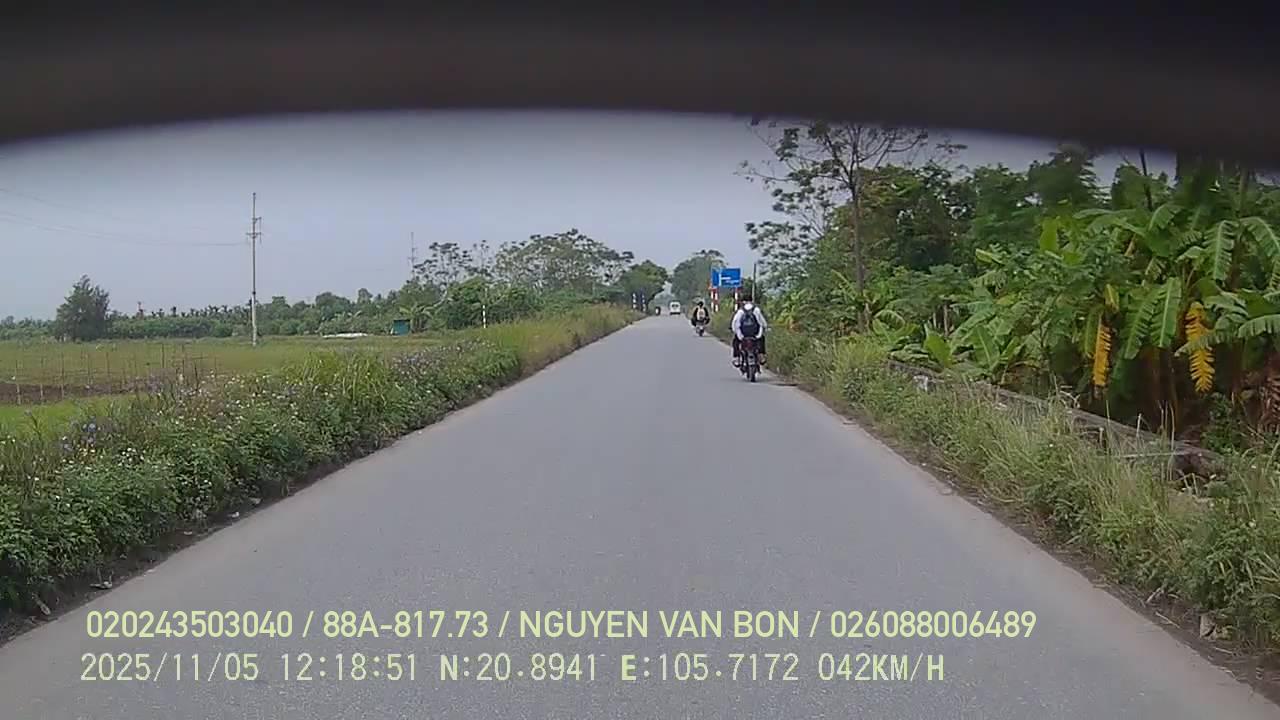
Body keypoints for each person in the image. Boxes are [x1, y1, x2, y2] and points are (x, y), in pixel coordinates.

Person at [731, 299, 767, 366]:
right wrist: (763, 330)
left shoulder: (740, 311)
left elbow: (735, 323)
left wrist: (737, 333)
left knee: (735, 341)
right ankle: (761, 356)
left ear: (743, 301)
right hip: (755, 334)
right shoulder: (756, 310)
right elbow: (762, 323)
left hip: (743, 335)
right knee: (762, 339)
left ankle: (737, 358)